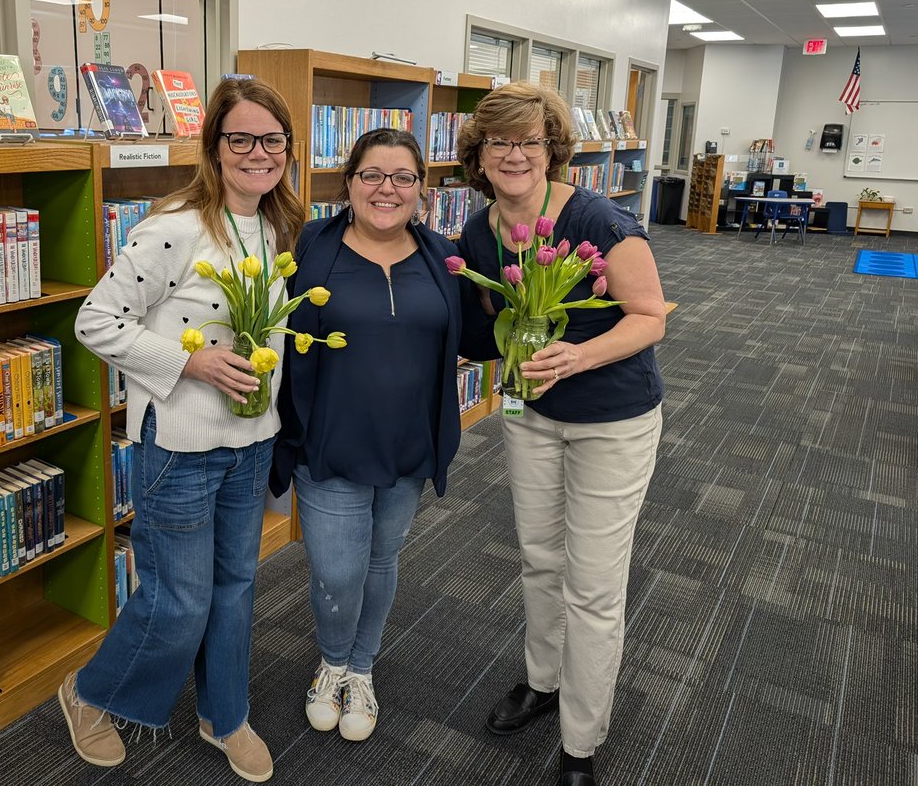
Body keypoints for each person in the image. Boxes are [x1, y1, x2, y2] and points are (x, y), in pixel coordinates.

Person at [60, 77, 306, 783]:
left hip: (250, 441)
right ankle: (90, 693)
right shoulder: (175, 226)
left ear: (287, 148)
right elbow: (95, 321)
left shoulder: (275, 224)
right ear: (214, 146)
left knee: (235, 587)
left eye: (272, 139)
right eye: (241, 138)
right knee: (179, 600)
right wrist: (189, 362)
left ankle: (224, 715)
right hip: (180, 446)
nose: (258, 152)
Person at [455, 82, 666, 786]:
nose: (514, 155)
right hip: (532, 417)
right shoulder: (480, 232)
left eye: (530, 141)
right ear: (479, 154)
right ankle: (542, 682)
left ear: (552, 150)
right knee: (541, 560)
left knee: (594, 586)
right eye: (499, 141)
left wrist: (579, 356)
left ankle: (580, 739)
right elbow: (489, 326)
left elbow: (650, 317)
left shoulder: (599, 219)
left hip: (612, 420)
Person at [271, 127, 489, 743]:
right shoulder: (310, 247)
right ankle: (332, 662)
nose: (386, 189)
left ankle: (361, 669)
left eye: (402, 177)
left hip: (409, 446)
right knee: (338, 570)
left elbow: (474, 336)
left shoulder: (442, 257)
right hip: (330, 442)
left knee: (381, 559)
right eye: (371, 175)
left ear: (421, 188)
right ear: (348, 183)